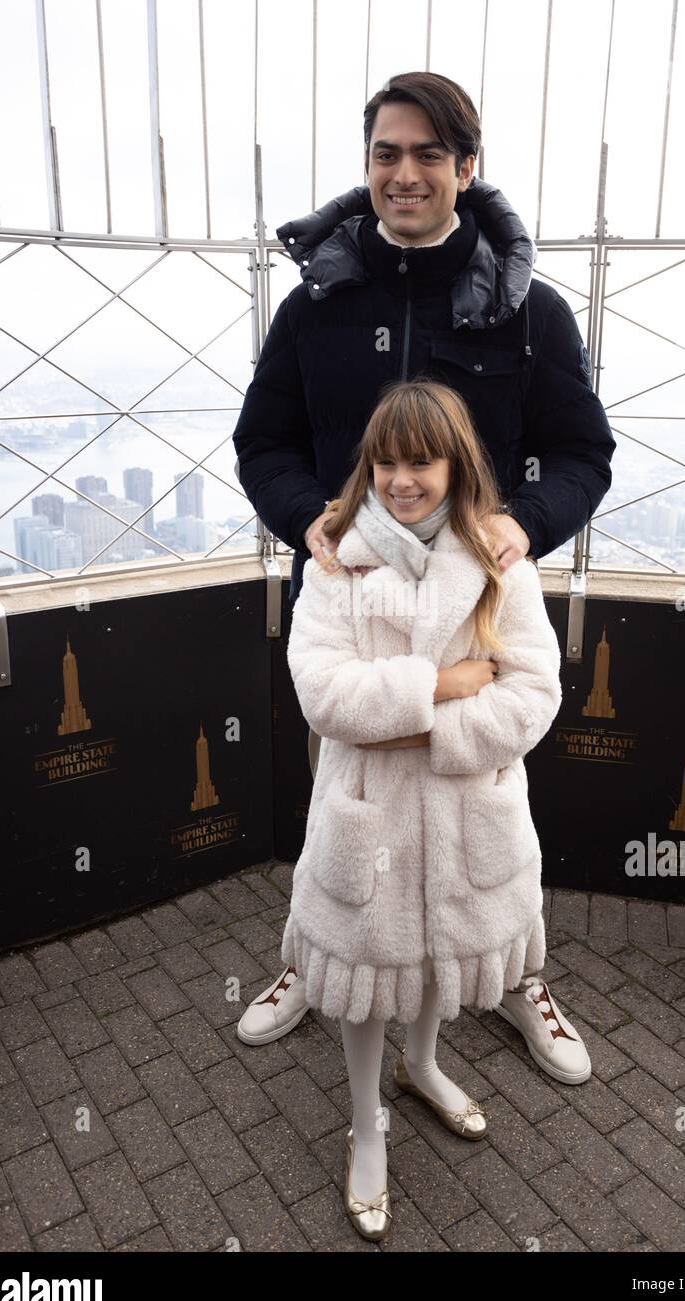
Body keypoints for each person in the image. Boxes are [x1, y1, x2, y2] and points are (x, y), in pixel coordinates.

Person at [233, 70, 614, 1086]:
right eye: (383, 154)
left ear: (464, 167)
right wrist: (303, 517)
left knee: (490, 796)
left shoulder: (528, 309)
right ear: (366, 167)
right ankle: (315, 959)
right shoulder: (316, 305)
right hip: (352, 598)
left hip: (475, 617)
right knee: (341, 801)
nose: (402, 175)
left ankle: (516, 969)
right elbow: (262, 440)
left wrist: (514, 525)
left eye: (426, 155)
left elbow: (583, 453)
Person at [282, 377, 564, 1238]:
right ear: (369, 465)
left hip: (463, 814)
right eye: (388, 462)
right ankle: (367, 1124)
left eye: (422, 462)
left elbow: (535, 693)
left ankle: (423, 1065)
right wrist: (441, 687)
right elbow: (323, 696)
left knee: (437, 958)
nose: (403, 481)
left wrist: (414, 731)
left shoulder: (499, 564)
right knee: (366, 982)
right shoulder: (336, 559)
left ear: (454, 465)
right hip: (368, 823)